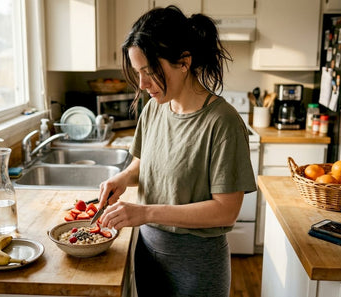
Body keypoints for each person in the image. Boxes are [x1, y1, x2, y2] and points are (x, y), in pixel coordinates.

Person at [96, 5, 257, 297]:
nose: (143, 85)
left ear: (183, 62)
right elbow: (142, 164)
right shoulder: (154, 110)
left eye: (150, 71)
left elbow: (226, 211)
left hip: (196, 266)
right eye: (137, 73)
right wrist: (122, 178)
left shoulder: (223, 122)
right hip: (147, 253)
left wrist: (145, 212)